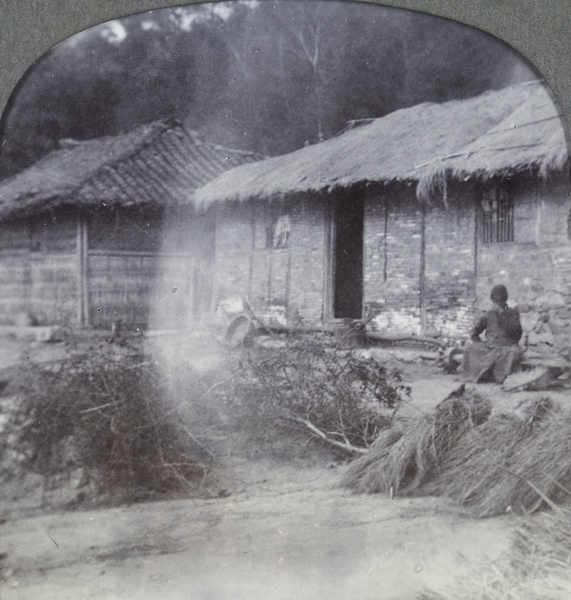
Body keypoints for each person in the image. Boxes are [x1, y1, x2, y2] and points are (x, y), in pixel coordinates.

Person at [462, 285, 524, 383]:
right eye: (496, 300)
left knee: (513, 354)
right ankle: (483, 373)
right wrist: (478, 343)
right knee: (470, 349)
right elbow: (474, 331)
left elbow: (516, 331)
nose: (498, 303)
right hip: (490, 347)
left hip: (507, 347)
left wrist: (501, 314)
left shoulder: (513, 313)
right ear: (492, 299)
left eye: (501, 300)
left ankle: (500, 375)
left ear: (505, 299)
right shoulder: (489, 314)